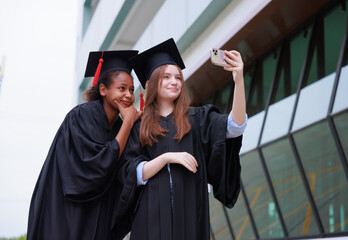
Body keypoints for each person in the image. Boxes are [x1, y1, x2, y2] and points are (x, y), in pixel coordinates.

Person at [114, 38, 247, 240]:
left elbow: (234, 127)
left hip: (190, 217)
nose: (174, 81)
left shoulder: (198, 119)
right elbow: (133, 173)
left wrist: (239, 81)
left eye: (177, 77)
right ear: (150, 83)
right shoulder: (139, 127)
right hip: (150, 221)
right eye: (166, 77)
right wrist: (167, 157)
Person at [26, 50, 142, 240]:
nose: (129, 95)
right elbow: (97, 165)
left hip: (98, 213)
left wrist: (134, 126)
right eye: (122, 88)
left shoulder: (120, 126)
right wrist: (129, 123)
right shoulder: (82, 115)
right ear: (103, 90)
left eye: (131, 89)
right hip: (68, 211)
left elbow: (124, 171)